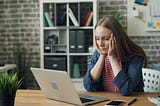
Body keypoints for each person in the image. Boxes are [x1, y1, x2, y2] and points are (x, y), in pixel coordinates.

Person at [83, 17, 147, 96]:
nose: (100, 44)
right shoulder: (98, 53)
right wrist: (102, 56)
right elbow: (88, 86)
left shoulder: (135, 55)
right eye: (97, 39)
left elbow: (126, 90)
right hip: (108, 99)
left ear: (117, 38)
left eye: (105, 39)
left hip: (133, 101)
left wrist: (112, 57)